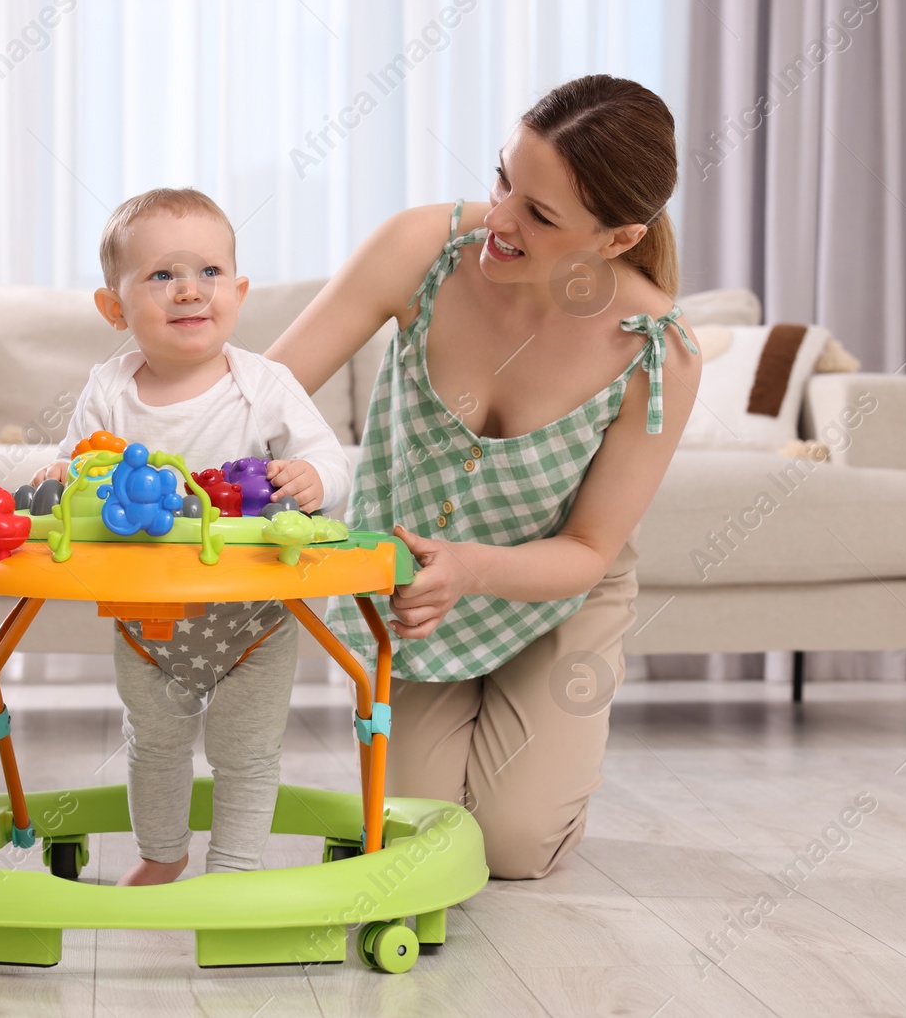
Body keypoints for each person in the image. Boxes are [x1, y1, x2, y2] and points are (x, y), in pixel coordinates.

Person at [268, 75, 701, 879]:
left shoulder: (654, 350)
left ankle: (541, 775)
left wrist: (473, 568)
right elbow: (263, 398)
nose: (497, 219)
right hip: (415, 594)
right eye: (503, 178)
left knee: (509, 847)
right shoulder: (422, 248)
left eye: (539, 215)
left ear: (614, 239)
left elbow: (589, 545)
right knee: (420, 833)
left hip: (554, 590)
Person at [33, 188, 350, 885]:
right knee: (154, 741)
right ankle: (162, 853)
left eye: (209, 273)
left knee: (246, 749)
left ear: (237, 291)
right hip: (150, 617)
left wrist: (313, 479)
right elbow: (75, 466)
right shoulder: (109, 391)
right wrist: (61, 473)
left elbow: (331, 461)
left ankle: (235, 871)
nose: (188, 292)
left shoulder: (264, 384)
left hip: (257, 615)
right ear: (113, 307)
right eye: (161, 275)